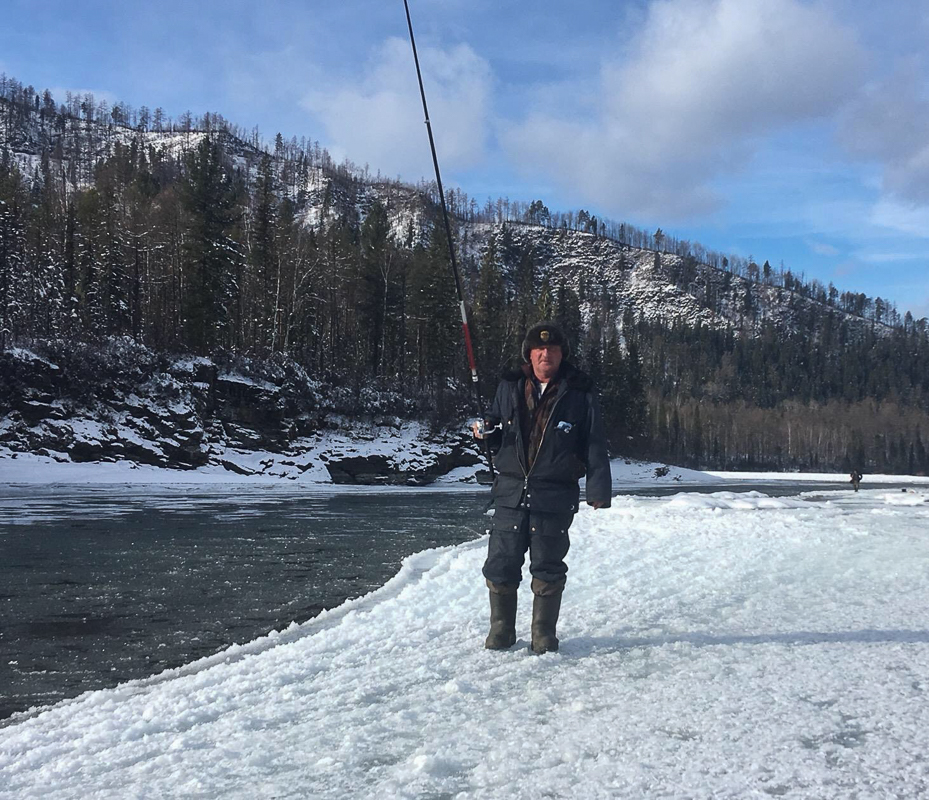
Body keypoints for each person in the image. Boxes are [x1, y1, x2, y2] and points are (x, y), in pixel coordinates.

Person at [472, 321, 612, 654]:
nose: (545, 354)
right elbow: (493, 433)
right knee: (501, 563)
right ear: (529, 355)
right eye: (538, 349)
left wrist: (598, 490)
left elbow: (594, 442)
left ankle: (543, 634)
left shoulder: (580, 391)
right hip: (509, 491)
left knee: (548, 565)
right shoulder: (509, 386)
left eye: (551, 349)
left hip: (555, 494)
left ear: (562, 355)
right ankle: (501, 631)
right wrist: (484, 433)